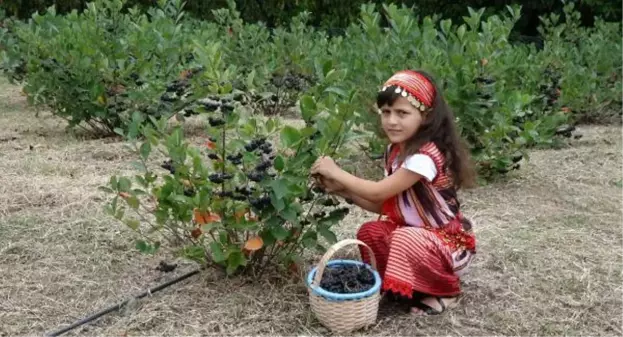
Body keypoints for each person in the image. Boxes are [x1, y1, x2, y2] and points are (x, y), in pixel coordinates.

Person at [310, 69, 477, 316]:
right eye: (386, 112)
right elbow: (386, 205)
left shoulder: (424, 157)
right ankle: (403, 285)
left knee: (404, 237)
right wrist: (343, 191)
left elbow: (378, 192)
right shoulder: (396, 151)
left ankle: (446, 291)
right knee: (371, 232)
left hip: (447, 245)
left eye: (402, 113)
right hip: (420, 239)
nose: (391, 121)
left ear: (426, 116)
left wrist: (336, 171)